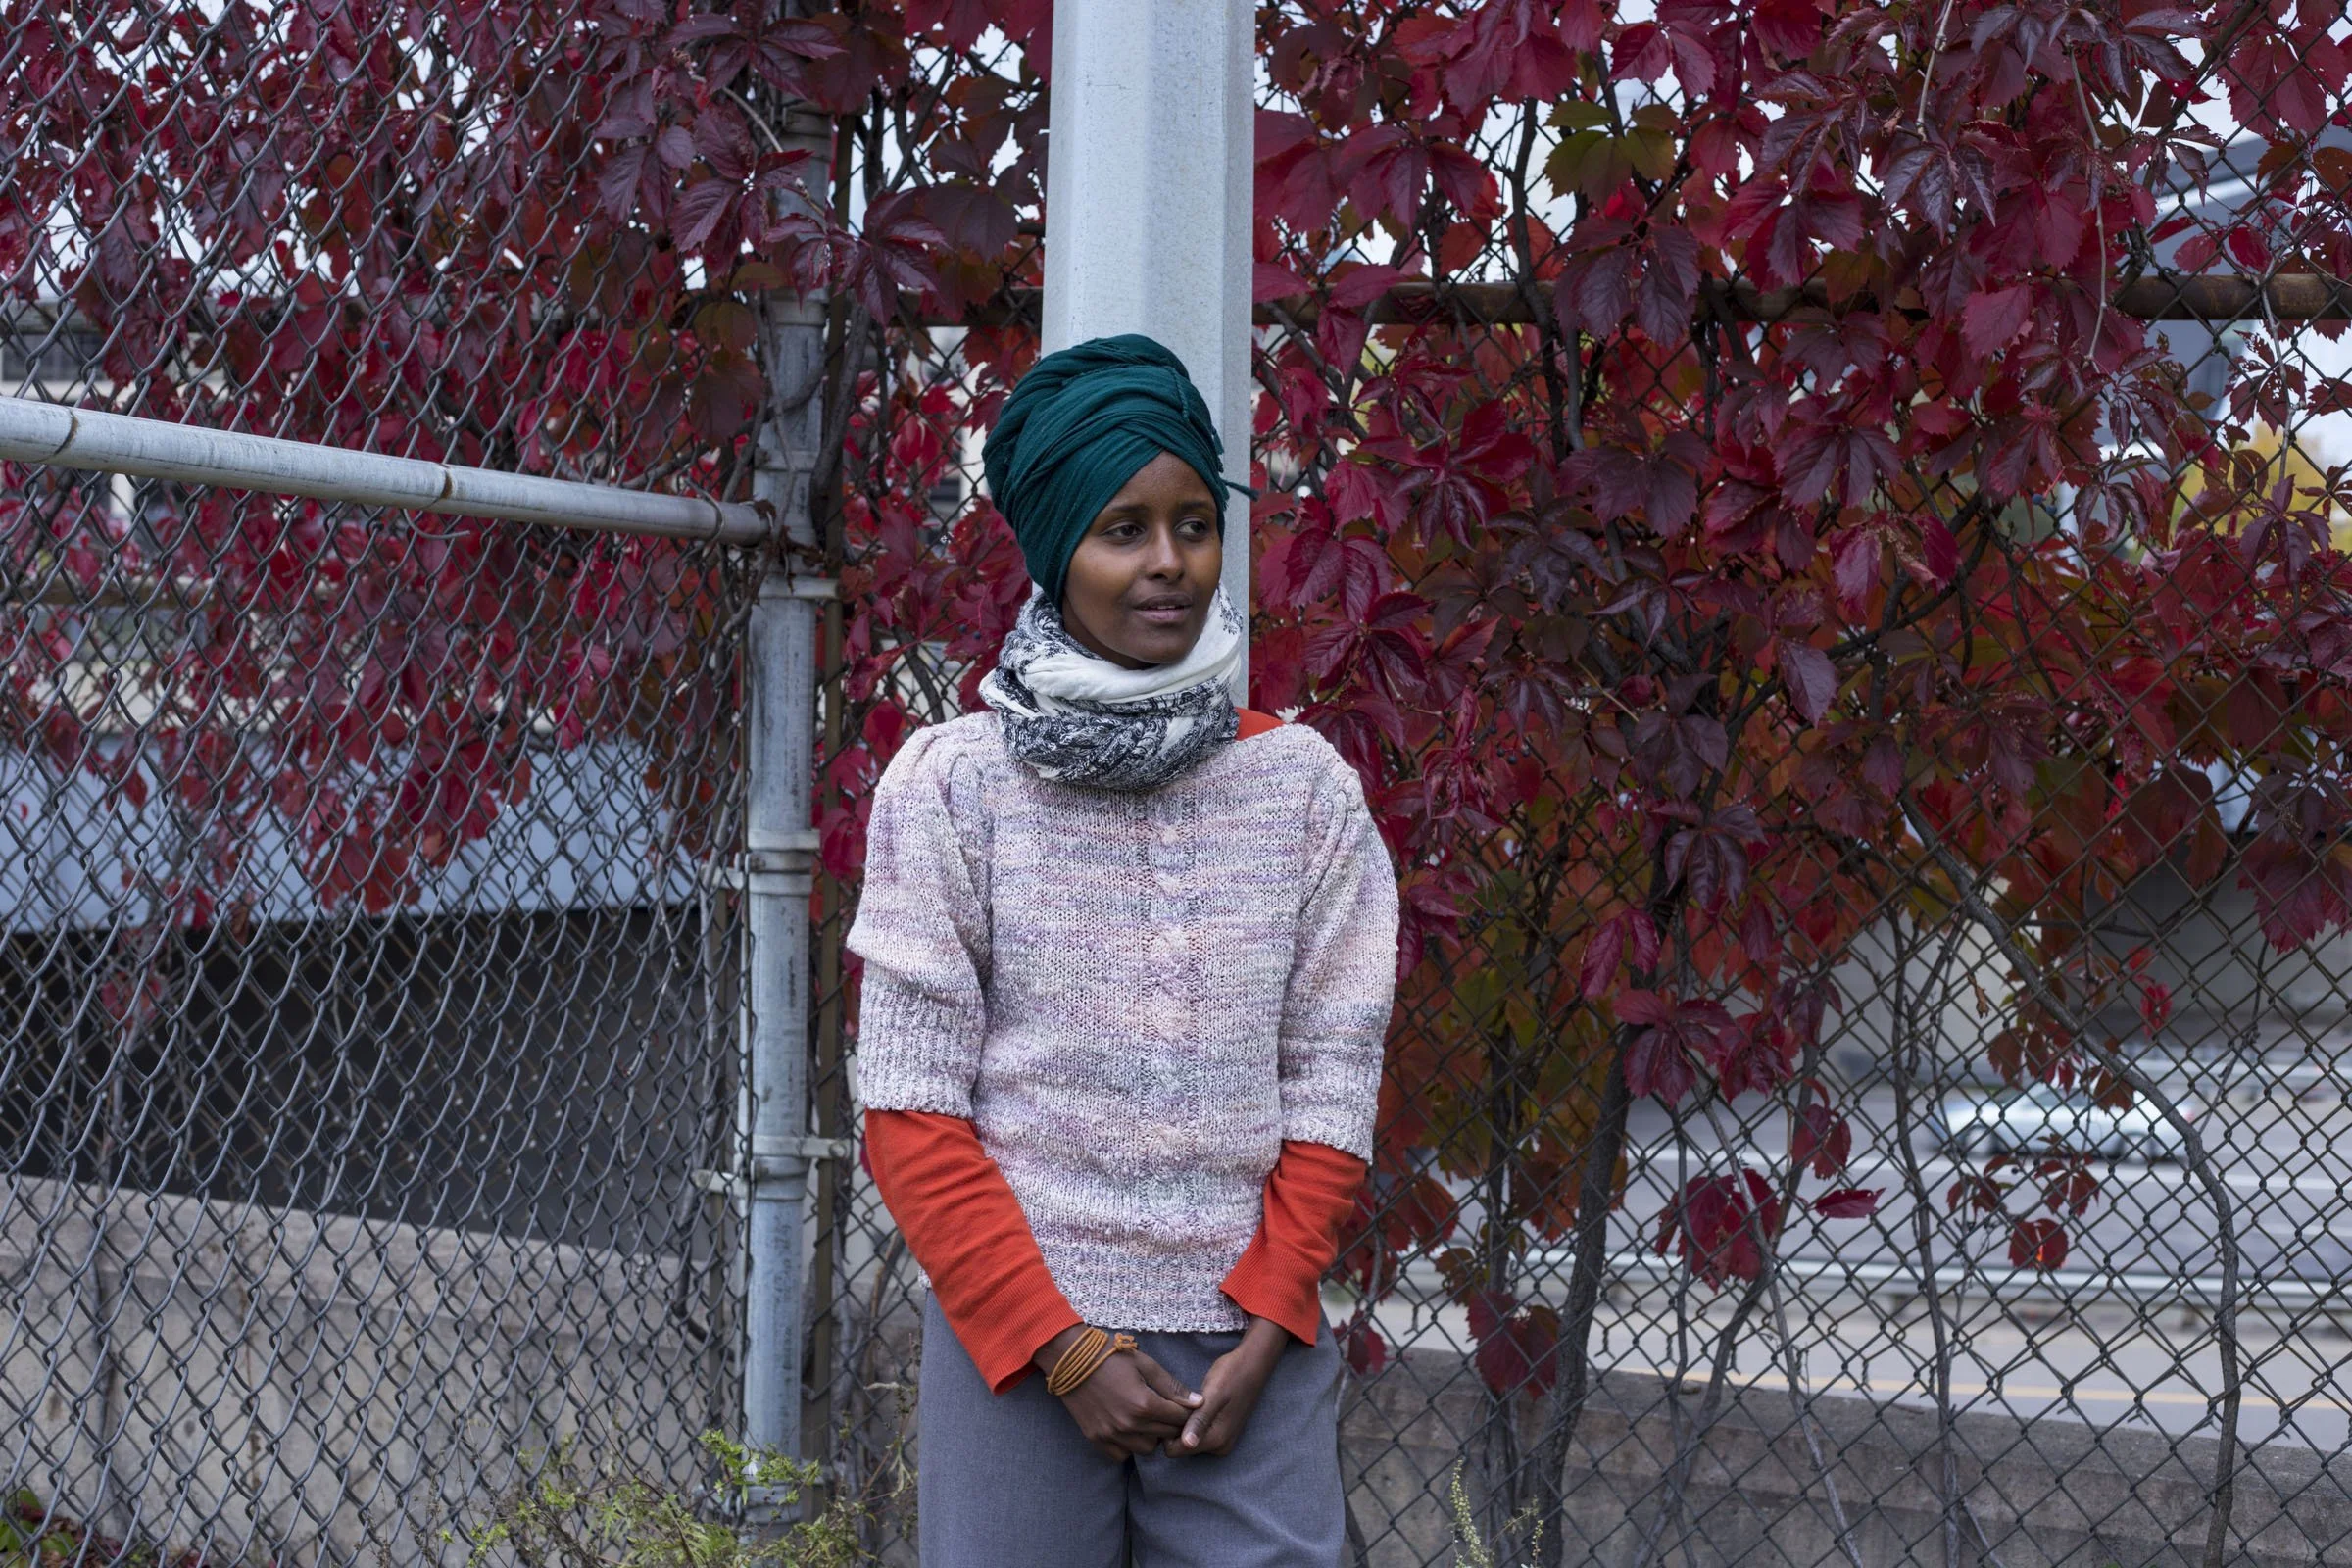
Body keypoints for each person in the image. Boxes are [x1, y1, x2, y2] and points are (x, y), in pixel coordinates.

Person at [848, 333, 1400, 1567]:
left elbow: (1332, 1075)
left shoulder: (1304, 792)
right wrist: (1065, 1346)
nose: (1168, 565)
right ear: (1054, 549)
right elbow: (909, 1107)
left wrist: (1272, 1314)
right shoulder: (953, 791)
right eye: (1123, 529)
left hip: (1250, 1346)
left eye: (1195, 524)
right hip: (1022, 1347)